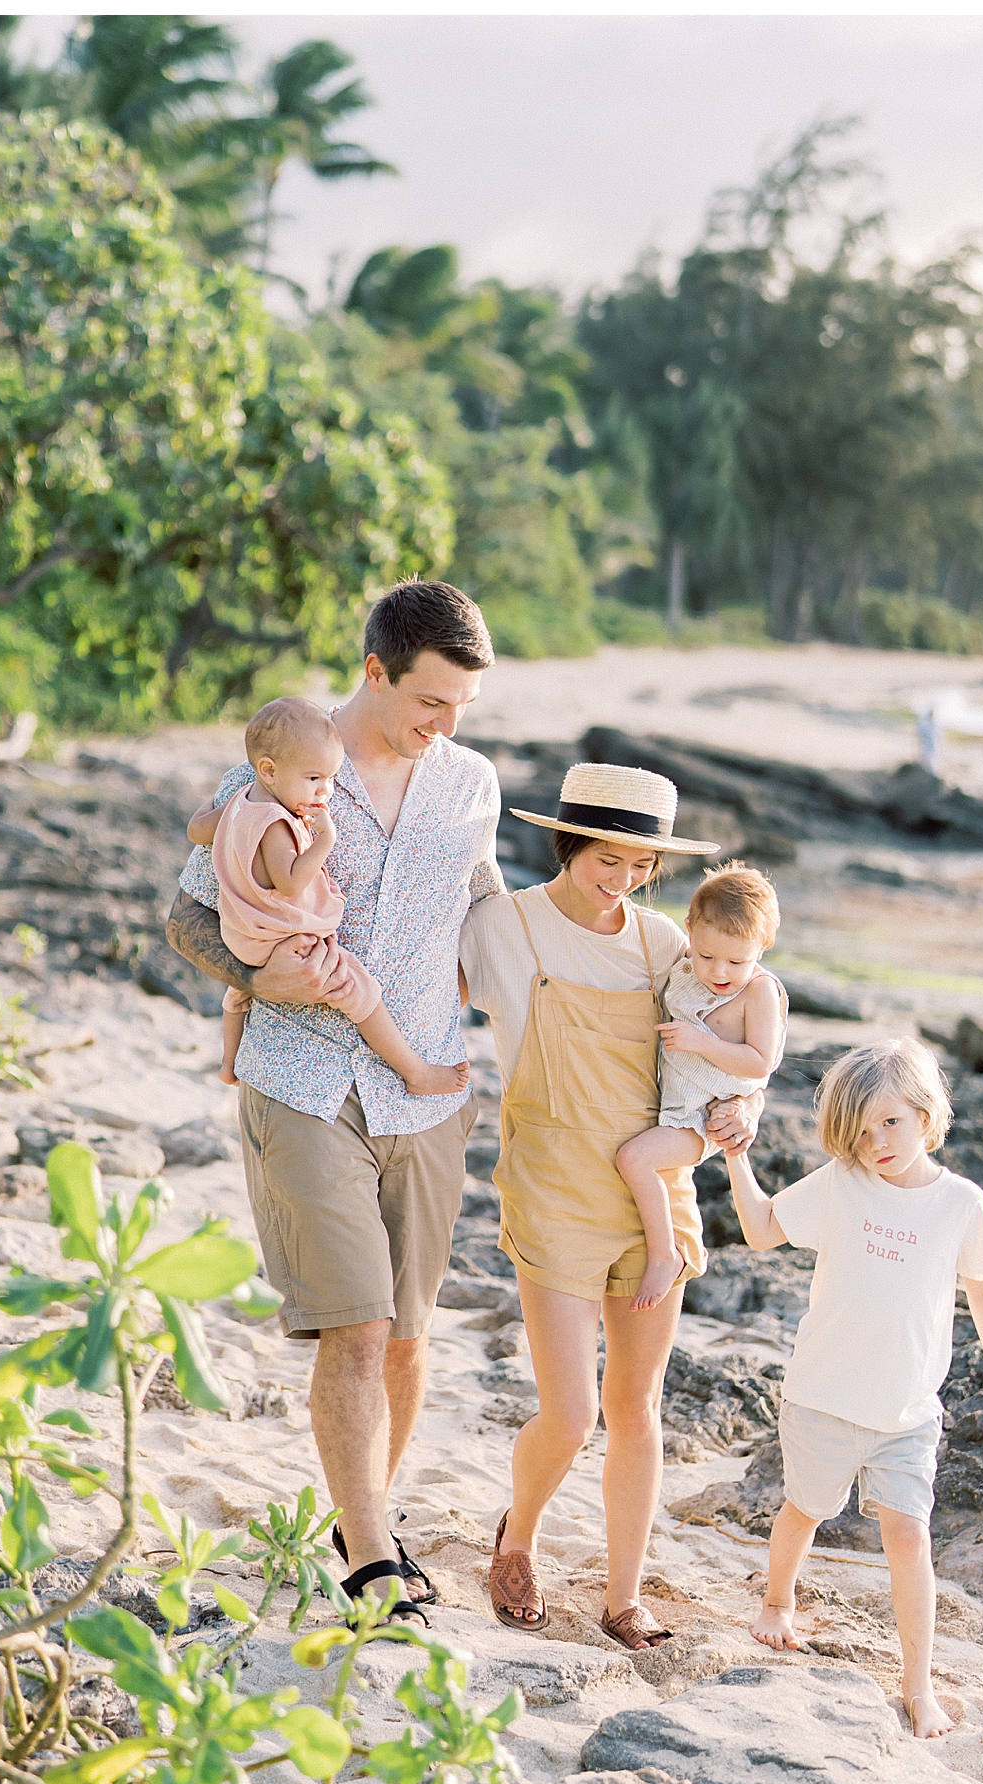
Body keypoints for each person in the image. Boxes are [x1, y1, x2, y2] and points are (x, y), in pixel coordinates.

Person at [165, 578, 501, 1626]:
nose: (442, 727)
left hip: (426, 1092)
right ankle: (365, 1556)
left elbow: (482, 904)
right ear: (374, 670)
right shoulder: (277, 773)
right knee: (355, 1326)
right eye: (428, 703)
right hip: (304, 1078)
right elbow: (186, 917)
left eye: (460, 709)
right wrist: (253, 979)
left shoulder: (471, 782)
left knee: (406, 1336)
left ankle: (371, 1519)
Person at [459, 764, 764, 1651]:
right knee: (569, 1414)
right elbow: (417, 985)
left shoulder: (668, 943)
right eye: (608, 857)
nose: (624, 879)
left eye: (641, 864)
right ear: (569, 841)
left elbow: (735, 1047)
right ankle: (517, 1541)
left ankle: (623, 1595)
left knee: (637, 1409)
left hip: (654, 1194)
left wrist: (739, 1113)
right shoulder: (503, 926)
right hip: (551, 1185)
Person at [723, 1037, 983, 1738]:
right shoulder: (840, 1183)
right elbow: (763, 1229)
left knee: (909, 1538)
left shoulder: (959, 1203)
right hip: (823, 1396)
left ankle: (918, 1686)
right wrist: (737, 1155)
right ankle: (776, 1600)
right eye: (861, 1129)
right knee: (804, 1508)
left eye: (890, 1121)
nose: (876, 1140)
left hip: (908, 1412)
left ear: (925, 1113)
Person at [187, 695, 469, 1100]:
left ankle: (230, 1062)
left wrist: (223, 803)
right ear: (269, 770)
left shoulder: (241, 800)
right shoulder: (275, 823)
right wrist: (325, 841)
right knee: (358, 990)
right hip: (285, 938)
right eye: (314, 778)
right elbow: (289, 882)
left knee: (239, 994)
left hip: (245, 937)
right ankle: (414, 1070)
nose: (326, 792)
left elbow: (197, 830)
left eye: (332, 779)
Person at [616, 863, 788, 1312]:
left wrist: (700, 1041)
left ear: (763, 947)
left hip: (703, 1117)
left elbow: (760, 1062)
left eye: (737, 961)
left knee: (634, 1159)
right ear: (689, 931)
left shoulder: (759, 993)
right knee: (634, 1160)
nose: (720, 971)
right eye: (708, 955)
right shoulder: (686, 967)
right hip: (673, 1100)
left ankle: (665, 1254)